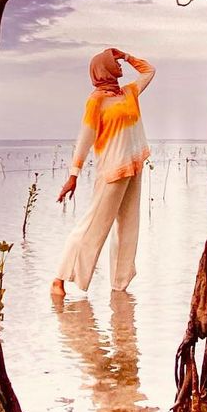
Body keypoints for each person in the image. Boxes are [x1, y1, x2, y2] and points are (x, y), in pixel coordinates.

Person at [51, 48, 155, 298]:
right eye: (114, 62)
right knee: (93, 226)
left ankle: (120, 286)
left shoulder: (129, 92)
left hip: (134, 166)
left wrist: (128, 56)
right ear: (103, 69)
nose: (119, 65)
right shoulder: (96, 101)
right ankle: (59, 279)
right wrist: (73, 175)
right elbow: (84, 139)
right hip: (112, 171)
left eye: (118, 62)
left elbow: (149, 70)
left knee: (128, 228)